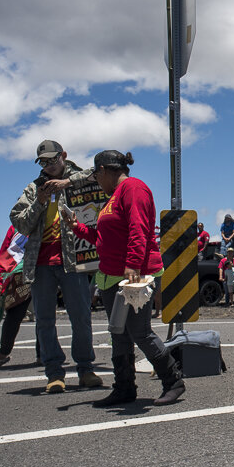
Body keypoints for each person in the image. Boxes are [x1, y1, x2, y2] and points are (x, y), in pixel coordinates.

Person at [65, 150, 185, 406]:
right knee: (118, 332)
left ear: (106, 170)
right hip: (111, 276)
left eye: (96, 175)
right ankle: (124, 387)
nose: (96, 180)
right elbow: (103, 239)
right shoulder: (114, 197)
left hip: (133, 273)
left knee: (139, 331)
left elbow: (138, 228)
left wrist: (132, 265)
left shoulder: (134, 188)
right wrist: (77, 228)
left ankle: (173, 381)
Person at [10, 140, 103, 394]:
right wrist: (39, 202)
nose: (48, 166)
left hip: (73, 262)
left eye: (52, 160)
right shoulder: (33, 188)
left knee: (81, 317)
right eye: (43, 162)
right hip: (40, 263)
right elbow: (19, 223)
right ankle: (54, 373)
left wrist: (67, 183)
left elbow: (97, 174)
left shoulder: (80, 178)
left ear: (63, 156)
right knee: (44, 320)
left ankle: (86, 369)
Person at [0, 226, 35, 369]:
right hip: (19, 278)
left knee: (45, 316)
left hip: (43, 270)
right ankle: (3, 353)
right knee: (13, 316)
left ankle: (43, 354)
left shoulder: (49, 219)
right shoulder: (15, 229)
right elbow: (5, 254)